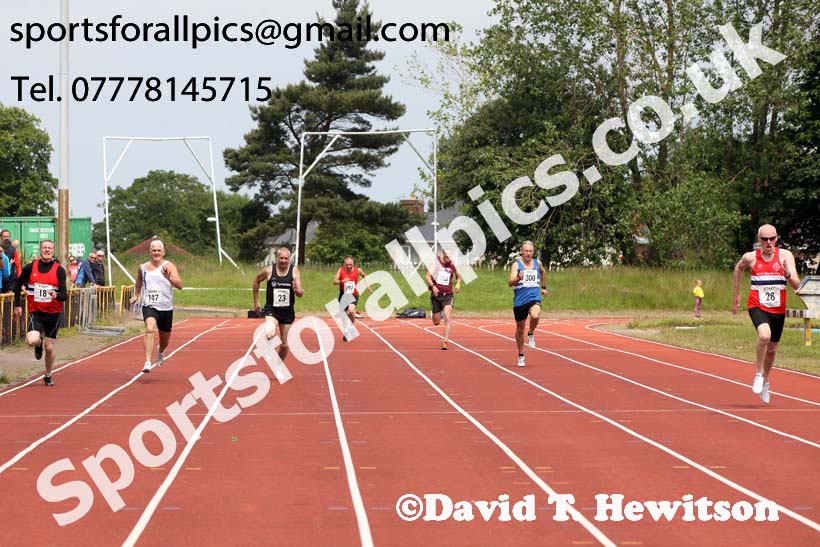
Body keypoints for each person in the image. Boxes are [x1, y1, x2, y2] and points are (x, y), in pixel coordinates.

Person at [732, 224, 801, 405]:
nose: (768, 242)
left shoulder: (785, 256)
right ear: (759, 240)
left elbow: (797, 286)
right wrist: (736, 294)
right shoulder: (750, 257)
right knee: (764, 336)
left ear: (776, 238)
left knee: (772, 349)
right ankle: (759, 373)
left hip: (778, 309)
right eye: (765, 239)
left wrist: (788, 275)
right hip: (757, 305)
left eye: (772, 238)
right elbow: (738, 268)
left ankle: (765, 382)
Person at [12, 240, 68, 386]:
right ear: (40, 250)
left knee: (49, 348)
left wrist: (56, 295)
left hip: (53, 314)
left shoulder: (59, 270)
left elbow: (64, 296)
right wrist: (17, 306)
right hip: (35, 311)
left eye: (50, 248)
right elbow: (17, 285)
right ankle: (39, 343)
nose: (47, 250)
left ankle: (48, 374)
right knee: (32, 340)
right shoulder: (31, 267)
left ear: (53, 251)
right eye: (44, 248)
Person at [128, 240, 183, 373]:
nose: (156, 253)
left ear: (163, 252)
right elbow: (139, 280)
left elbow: (180, 285)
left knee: (165, 341)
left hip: (166, 308)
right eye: (154, 250)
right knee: (150, 328)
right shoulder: (142, 267)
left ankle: (161, 351)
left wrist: (169, 278)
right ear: (150, 252)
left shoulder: (169, 266)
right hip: (149, 305)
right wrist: (136, 294)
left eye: (159, 250)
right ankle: (147, 362)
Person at [253, 247, 304, 362]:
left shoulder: (294, 271)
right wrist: (256, 301)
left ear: (289, 259)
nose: (283, 261)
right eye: (281, 258)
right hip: (272, 309)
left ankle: (278, 365)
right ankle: (268, 349)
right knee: (270, 332)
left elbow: (300, 292)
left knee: (284, 344)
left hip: (287, 312)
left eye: (286, 258)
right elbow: (256, 280)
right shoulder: (269, 271)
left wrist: (298, 290)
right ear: (277, 258)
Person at [508, 240, 548, 367]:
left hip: (534, 297)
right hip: (520, 301)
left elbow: (543, 272)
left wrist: (543, 287)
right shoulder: (516, 265)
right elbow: (510, 283)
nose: (528, 253)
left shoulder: (537, 263)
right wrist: (518, 278)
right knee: (520, 328)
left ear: (533, 252)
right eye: (526, 251)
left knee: (535, 315)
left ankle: (530, 332)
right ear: (522, 252)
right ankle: (521, 354)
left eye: (530, 251)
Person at [425, 248, 461, 350]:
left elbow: (458, 277)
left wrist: (458, 284)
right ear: (443, 254)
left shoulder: (453, 264)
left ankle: (445, 342)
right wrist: (433, 286)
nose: (448, 258)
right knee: (436, 322)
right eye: (446, 256)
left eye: (450, 256)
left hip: (448, 294)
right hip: (437, 294)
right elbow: (427, 276)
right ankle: (438, 311)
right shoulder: (436, 262)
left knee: (447, 317)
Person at [333, 256, 372, 341]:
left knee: (351, 311)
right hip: (343, 295)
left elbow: (364, 276)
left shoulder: (358, 270)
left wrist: (368, 286)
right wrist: (342, 281)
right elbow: (334, 281)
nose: (349, 266)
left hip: (354, 294)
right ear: (344, 264)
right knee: (344, 315)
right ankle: (346, 330)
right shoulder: (341, 270)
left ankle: (351, 327)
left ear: (353, 264)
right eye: (347, 264)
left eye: (350, 264)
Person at [0, 229, 22, 294]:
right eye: (4, 237)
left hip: (10, 281)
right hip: (0, 281)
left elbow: (18, 266)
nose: (6, 238)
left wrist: (20, 280)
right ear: (1, 238)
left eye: (8, 237)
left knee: (9, 299)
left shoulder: (14, 250)